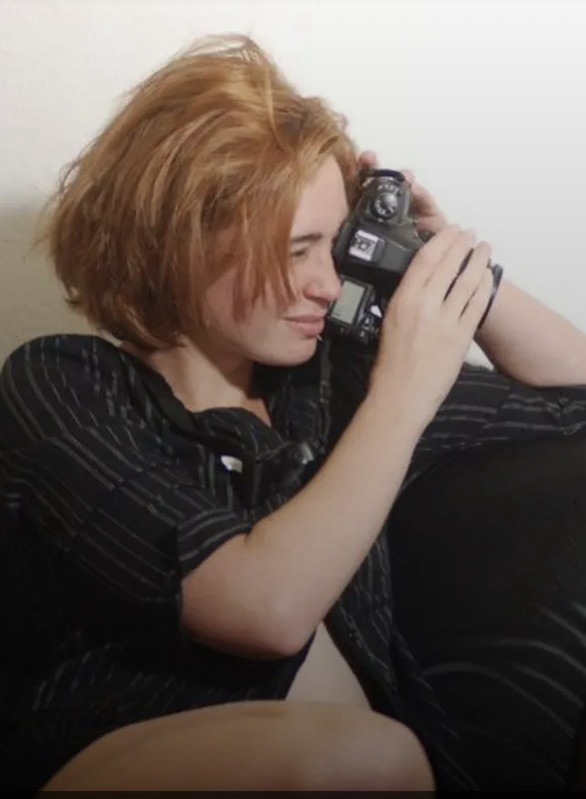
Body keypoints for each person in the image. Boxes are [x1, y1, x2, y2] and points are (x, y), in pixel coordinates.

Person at [2, 32, 586, 794]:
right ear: (182, 241)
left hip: (376, 763)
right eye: (297, 248)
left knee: (384, 758)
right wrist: (404, 391)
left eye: (334, 247)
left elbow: (575, 394)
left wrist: (438, 259)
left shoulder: (326, 384)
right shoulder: (65, 382)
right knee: (370, 758)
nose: (327, 284)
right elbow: (264, 608)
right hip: (114, 745)